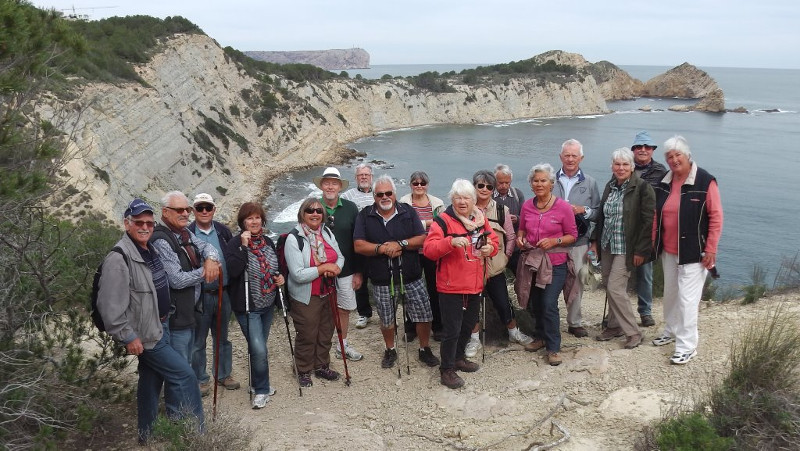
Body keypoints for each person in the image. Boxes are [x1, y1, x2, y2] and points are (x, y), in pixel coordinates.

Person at [97, 198, 203, 443]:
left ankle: (146, 435)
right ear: (127, 224)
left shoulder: (147, 248)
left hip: (160, 324)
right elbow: (109, 307)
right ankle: (196, 436)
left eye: (148, 222)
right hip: (145, 335)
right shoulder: (119, 258)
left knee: (150, 382)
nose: (145, 227)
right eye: (138, 222)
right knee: (185, 375)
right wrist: (128, 336)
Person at [353, 175, 440, 370]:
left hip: (411, 275)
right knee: (386, 317)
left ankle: (424, 348)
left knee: (423, 314)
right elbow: (358, 245)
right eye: (380, 194)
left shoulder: (407, 211)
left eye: (388, 193)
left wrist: (400, 244)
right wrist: (381, 249)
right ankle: (390, 349)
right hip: (382, 278)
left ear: (395, 194)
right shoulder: (365, 215)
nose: (385, 197)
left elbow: (421, 238)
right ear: (374, 196)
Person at [652, 135, 723, 365]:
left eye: (677, 155)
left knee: (687, 300)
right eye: (669, 156)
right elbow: (657, 216)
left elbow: (716, 217)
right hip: (669, 251)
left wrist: (711, 248)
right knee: (671, 295)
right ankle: (670, 330)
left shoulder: (705, 181)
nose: (673, 160)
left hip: (695, 252)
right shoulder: (665, 181)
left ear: (687, 155)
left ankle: (687, 346)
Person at [423, 179, 499, 388]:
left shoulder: (480, 220)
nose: (462, 202)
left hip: (475, 283)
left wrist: (489, 248)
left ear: (474, 200)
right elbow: (429, 250)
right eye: (458, 198)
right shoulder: (443, 221)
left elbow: (493, 241)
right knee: (452, 330)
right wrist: (450, 242)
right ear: (452, 199)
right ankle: (446, 369)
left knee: (467, 326)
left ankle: (458, 358)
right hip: (451, 285)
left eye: (466, 198)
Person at [590, 149, 655, 349]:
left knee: (615, 288)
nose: (621, 168)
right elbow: (602, 215)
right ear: (612, 166)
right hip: (608, 243)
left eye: (625, 164)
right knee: (609, 283)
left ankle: (633, 331)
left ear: (632, 167)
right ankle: (613, 326)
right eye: (617, 164)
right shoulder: (610, 186)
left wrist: (641, 251)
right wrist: (594, 240)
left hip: (627, 247)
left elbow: (648, 222)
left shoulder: (643, 188)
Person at [464, 170, 533, 358]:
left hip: (494, 267)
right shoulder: (464, 208)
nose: (485, 189)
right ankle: (474, 339)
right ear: (474, 187)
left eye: (489, 186)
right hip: (470, 267)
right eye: (480, 185)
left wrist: (506, 256)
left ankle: (513, 332)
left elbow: (510, 237)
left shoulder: (502, 210)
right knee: (472, 304)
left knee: (503, 301)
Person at [515, 164, 578, 366]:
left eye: (543, 180)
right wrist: (519, 238)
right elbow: (522, 229)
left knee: (549, 303)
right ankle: (540, 337)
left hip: (556, 263)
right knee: (535, 302)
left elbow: (573, 236)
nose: (539, 184)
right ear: (531, 184)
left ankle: (553, 347)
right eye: (536, 180)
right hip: (532, 261)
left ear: (551, 184)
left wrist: (554, 241)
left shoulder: (563, 207)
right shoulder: (527, 206)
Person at [224, 202, 285, 408]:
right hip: (248, 307)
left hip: (266, 304)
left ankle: (256, 383)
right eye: (249, 218)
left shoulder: (267, 241)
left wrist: (280, 279)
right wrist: (243, 246)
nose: (254, 221)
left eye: (257, 217)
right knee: (259, 349)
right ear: (242, 222)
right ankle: (261, 390)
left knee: (257, 347)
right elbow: (233, 271)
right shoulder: (234, 244)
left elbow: (273, 268)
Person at [151, 191, 221, 368]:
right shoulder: (161, 240)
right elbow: (177, 279)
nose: (185, 214)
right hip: (176, 318)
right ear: (165, 212)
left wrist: (211, 259)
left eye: (187, 209)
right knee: (180, 367)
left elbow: (206, 245)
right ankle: (180, 396)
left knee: (186, 362)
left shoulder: (184, 234)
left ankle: (187, 393)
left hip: (188, 312)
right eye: (179, 210)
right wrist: (205, 271)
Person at [284, 197, 344, 387]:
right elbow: (298, 274)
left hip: (328, 291)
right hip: (305, 295)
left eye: (319, 211)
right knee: (307, 333)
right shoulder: (294, 239)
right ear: (303, 214)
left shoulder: (326, 232)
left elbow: (340, 256)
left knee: (326, 331)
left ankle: (321, 365)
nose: (315, 214)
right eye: (310, 210)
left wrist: (335, 268)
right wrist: (321, 268)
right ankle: (302, 369)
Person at [188, 193, 240, 397]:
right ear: (193, 211)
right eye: (199, 208)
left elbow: (232, 254)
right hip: (200, 294)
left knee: (223, 338)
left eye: (207, 207)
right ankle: (200, 379)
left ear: (213, 210)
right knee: (198, 340)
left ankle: (223, 374)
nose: (203, 211)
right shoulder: (188, 233)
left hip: (223, 293)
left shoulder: (222, 231)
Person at [314, 167, 364, 361]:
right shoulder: (313, 206)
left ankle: (342, 344)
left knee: (344, 308)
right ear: (321, 185)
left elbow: (358, 241)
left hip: (347, 270)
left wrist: (359, 272)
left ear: (340, 187)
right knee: (321, 310)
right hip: (319, 271)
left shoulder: (351, 208)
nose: (330, 186)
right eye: (326, 182)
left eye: (334, 183)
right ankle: (321, 347)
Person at [552, 139, 600, 338]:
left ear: (581, 158)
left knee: (577, 283)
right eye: (567, 155)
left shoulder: (590, 182)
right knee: (551, 282)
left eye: (574, 156)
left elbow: (598, 212)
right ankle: (549, 322)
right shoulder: (549, 180)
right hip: (554, 242)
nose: (570, 159)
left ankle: (574, 322)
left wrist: (584, 210)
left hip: (579, 241)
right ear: (560, 157)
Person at [399, 170, 445, 341]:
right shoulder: (403, 203)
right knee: (411, 290)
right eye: (415, 183)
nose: (419, 186)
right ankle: (411, 326)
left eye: (422, 183)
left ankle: (437, 325)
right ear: (410, 184)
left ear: (427, 184)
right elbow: (404, 226)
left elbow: (442, 226)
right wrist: (427, 223)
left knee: (435, 289)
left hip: (432, 251)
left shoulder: (438, 203)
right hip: (411, 252)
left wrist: (421, 223)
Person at [630, 131, 668, 327]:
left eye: (647, 147)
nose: (642, 150)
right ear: (633, 150)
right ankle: (617, 315)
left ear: (653, 150)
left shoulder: (662, 172)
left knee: (645, 273)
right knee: (620, 274)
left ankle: (645, 311)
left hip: (647, 231)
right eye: (638, 147)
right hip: (625, 231)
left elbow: (667, 200)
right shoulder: (625, 169)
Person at [341, 163, 375, 329]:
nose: (363, 177)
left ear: (371, 177)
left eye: (366, 175)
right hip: (358, 244)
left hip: (377, 243)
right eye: (360, 175)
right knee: (360, 279)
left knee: (379, 279)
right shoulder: (348, 196)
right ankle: (364, 314)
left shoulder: (379, 192)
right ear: (356, 178)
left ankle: (384, 312)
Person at [493, 164, 526, 272]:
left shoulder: (517, 194)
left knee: (519, 275)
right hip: (495, 246)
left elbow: (525, 217)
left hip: (515, 247)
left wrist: (517, 218)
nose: (504, 186)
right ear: (494, 181)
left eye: (507, 183)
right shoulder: (489, 195)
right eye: (500, 183)